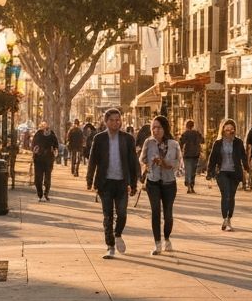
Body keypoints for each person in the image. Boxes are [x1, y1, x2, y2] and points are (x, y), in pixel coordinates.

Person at [87, 107, 140, 259]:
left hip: (122, 182)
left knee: (122, 213)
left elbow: (133, 162)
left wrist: (135, 182)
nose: (116, 123)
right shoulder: (99, 139)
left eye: (118, 120)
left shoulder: (127, 139)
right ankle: (110, 246)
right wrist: (90, 180)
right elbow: (92, 160)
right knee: (107, 215)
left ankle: (118, 235)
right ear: (106, 121)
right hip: (105, 182)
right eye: (112, 120)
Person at [139, 115, 181, 255]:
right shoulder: (148, 142)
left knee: (168, 214)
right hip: (153, 181)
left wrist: (165, 163)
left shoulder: (174, 144)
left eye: (158, 128)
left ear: (165, 129)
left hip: (169, 182)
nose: (155, 130)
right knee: (155, 211)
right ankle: (157, 243)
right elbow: (142, 159)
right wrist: (149, 163)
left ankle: (167, 239)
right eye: (153, 128)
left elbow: (178, 164)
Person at [206, 118, 248, 231]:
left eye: (231, 129)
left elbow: (243, 157)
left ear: (234, 130)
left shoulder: (238, 142)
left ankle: (229, 218)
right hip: (222, 172)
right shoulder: (218, 143)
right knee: (226, 195)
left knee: (232, 196)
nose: (229, 131)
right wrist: (209, 173)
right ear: (223, 130)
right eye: (227, 129)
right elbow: (212, 158)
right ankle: (224, 218)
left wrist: (247, 169)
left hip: (235, 173)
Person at [31, 121, 59, 201]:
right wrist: (34, 150)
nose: (45, 128)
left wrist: (55, 152)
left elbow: (56, 146)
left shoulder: (52, 135)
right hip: (39, 160)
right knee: (38, 179)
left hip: (48, 160)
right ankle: (40, 194)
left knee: (47, 178)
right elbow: (33, 145)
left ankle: (46, 193)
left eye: (46, 126)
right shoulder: (38, 134)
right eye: (43, 126)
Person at [178, 120, 204, 193]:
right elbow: (202, 141)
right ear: (193, 125)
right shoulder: (196, 133)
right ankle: (191, 185)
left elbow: (180, 143)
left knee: (188, 170)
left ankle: (188, 184)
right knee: (193, 171)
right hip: (195, 154)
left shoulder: (185, 133)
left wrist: (179, 152)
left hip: (187, 154)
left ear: (186, 126)